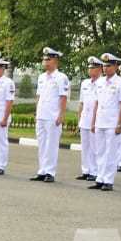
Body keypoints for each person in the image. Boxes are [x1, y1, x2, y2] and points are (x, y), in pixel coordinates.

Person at [88, 53, 121, 192]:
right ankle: (100, 178)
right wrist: (93, 122)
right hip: (100, 121)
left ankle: (108, 180)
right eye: (104, 65)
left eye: (109, 65)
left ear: (116, 66)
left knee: (111, 153)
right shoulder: (99, 82)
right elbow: (97, 103)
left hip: (112, 123)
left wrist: (119, 124)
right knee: (99, 151)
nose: (106, 68)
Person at [31, 47, 69, 183]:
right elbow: (39, 96)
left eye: (48, 59)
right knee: (41, 144)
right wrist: (37, 112)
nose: (45, 62)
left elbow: (63, 98)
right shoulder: (42, 77)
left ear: (55, 60)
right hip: (41, 115)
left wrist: (61, 115)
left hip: (53, 116)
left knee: (51, 145)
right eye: (44, 59)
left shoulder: (61, 77)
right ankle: (42, 170)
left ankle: (50, 172)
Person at [75, 56, 102, 181]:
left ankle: (95, 171)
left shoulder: (102, 83)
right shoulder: (85, 83)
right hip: (85, 119)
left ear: (99, 69)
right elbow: (81, 103)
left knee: (95, 147)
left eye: (93, 68)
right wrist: (79, 118)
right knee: (85, 147)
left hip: (96, 119)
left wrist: (95, 121)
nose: (90, 70)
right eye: (89, 68)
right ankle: (86, 170)